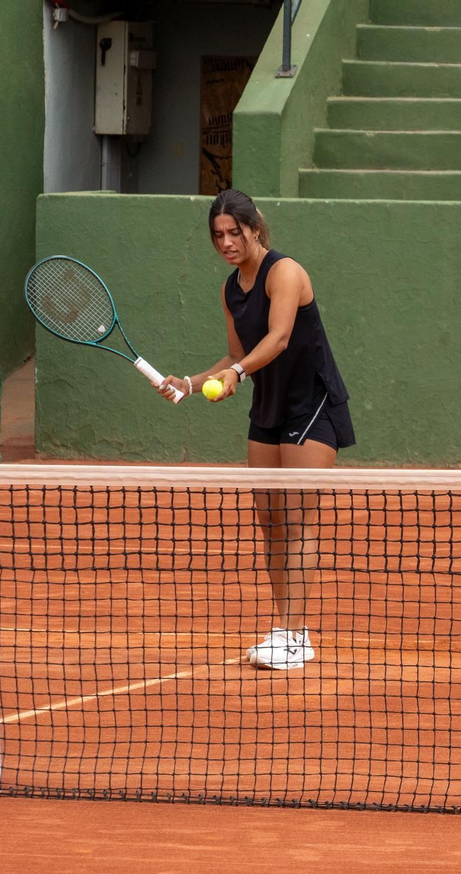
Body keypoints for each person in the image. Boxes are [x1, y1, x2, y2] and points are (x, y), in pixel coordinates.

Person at [160, 190, 355, 671]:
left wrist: (238, 376)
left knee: (298, 520)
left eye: (235, 232)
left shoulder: (284, 272)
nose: (227, 242)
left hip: (311, 406)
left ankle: (295, 634)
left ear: (255, 228)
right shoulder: (230, 290)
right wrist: (191, 382)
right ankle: (284, 628)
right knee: (270, 524)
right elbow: (234, 354)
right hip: (268, 407)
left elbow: (279, 337)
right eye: (218, 235)